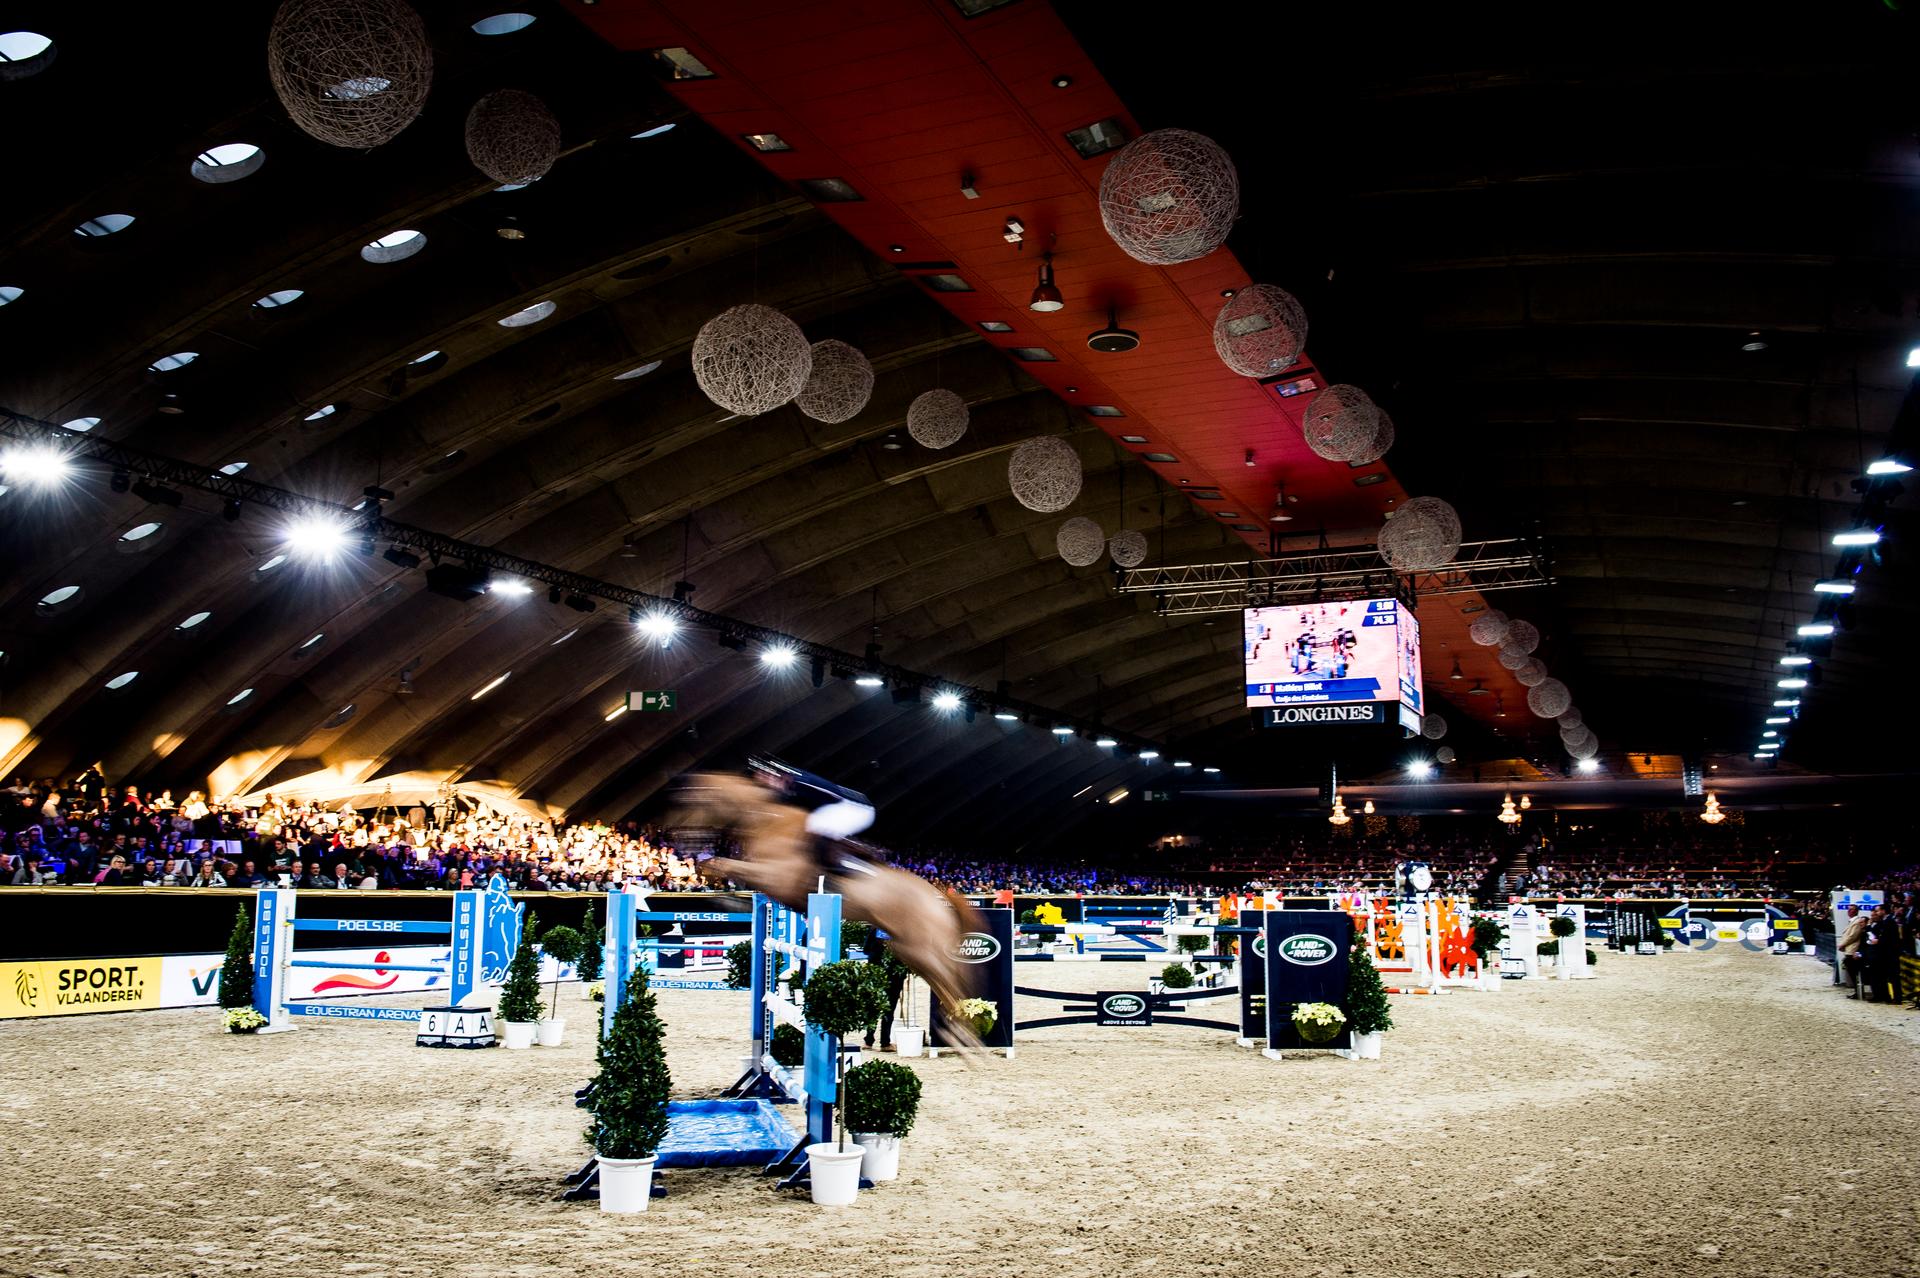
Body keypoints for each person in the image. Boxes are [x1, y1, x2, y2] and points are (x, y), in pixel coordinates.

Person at [1837, 905, 1868, 997]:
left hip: (1853, 949)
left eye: (1851, 909)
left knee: (1854, 971)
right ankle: (1856, 991)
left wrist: (1842, 944)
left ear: (1856, 911)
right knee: (1851, 971)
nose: (1849, 911)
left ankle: (1858, 991)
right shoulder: (1852, 921)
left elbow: (1852, 936)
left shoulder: (1857, 922)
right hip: (1849, 948)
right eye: (1849, 909)